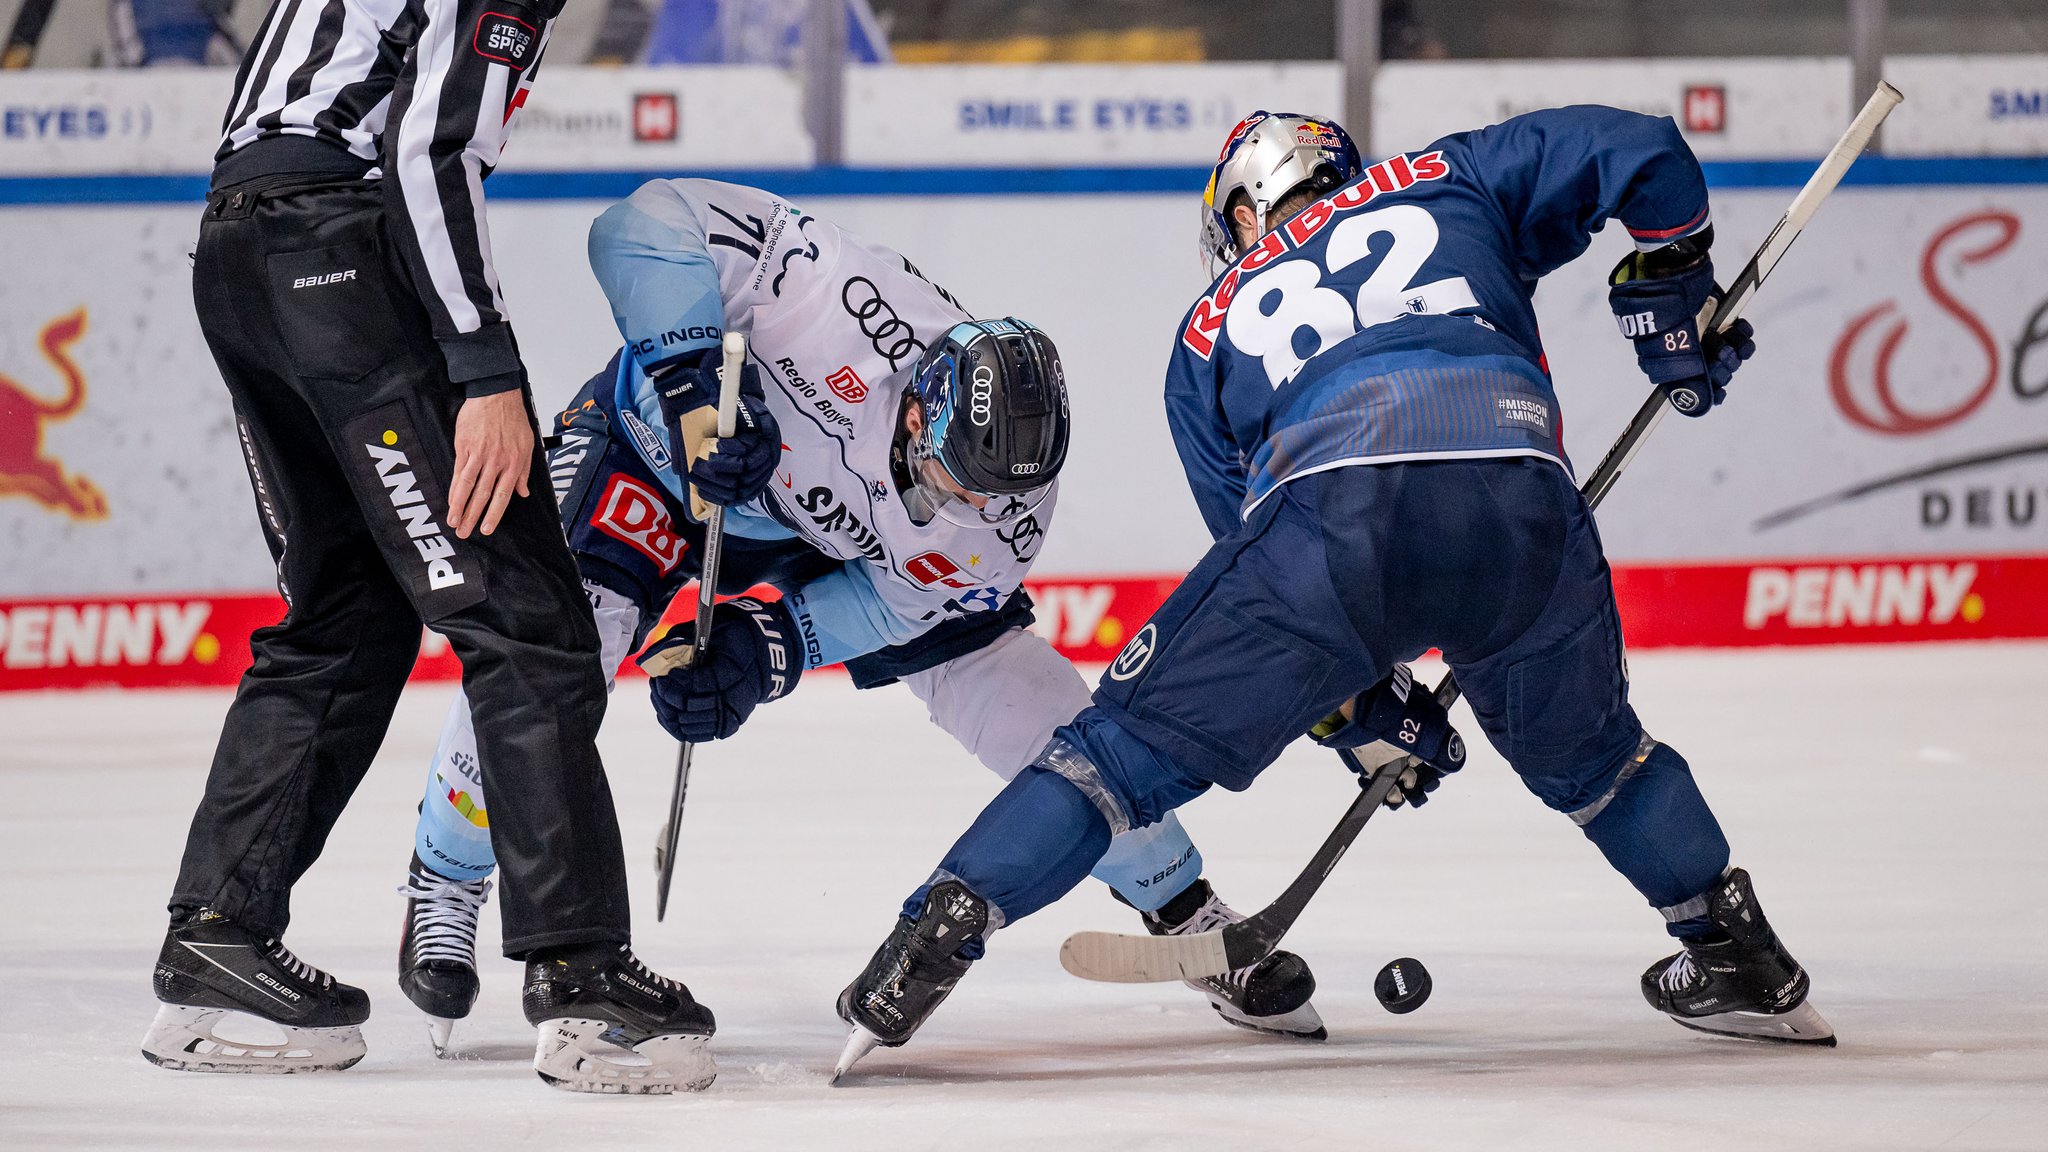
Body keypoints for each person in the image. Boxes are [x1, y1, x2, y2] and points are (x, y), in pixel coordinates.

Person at [834, 107, 1834, 1076]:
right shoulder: (1453, 177)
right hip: (1518, 489)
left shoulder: (1200, 335)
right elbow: (1640, 148)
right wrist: (1670, 282)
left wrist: (1355, 704)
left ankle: (927, 945)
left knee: (1114, 760)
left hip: (1328, 517)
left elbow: (1260, 557)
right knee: (1598, 761)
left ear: (1237, 213)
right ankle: (1736, 952)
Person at [391, 177, 1330, 1067]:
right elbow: (640, 223)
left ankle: (1188, 909)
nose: (961, 509)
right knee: (557, 651)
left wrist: (766, 650)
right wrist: (695, 393)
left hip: (838, 541)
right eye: (952, 480)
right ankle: (447, 873)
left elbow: (893, 601)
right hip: (660, 456)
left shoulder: (1001, 515)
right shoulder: (834, 296)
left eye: (988, 496)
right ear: (921, 407)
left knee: (1022, 697)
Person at [141, 0, 750, 1095]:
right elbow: (427, 149)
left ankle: (216, 938)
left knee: (344, 615)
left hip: (239, 251)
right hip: (333, 252)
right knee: (528, 626)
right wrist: (483, 371)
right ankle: (578, 972)